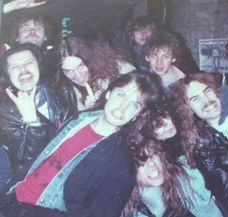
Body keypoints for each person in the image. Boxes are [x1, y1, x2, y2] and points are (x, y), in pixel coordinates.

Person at [0, 71, 163, 217]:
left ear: (137, 115)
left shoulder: (122, 164)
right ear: (109, 93)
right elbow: (42, 161)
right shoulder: (78, 119)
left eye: (135, 105)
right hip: (10, 197)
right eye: (121, 95)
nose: (123, 106)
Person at [120, 107, 223, 217]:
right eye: (142, 163)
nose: (152, 165)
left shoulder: (184, 175)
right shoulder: (129, 207)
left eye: (153, 155)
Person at [174, 73, 228, 216]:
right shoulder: (203, 146)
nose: (207, 101)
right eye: (195, 99)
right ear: (189, 109)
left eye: (207, 91)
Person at [0, 43, 64, 178]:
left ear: (39, 66)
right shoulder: (6, 112)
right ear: (8, 76)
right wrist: (32, 122)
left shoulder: (58, 92)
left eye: (28, 63)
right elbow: (27, 164)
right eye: (15, 67)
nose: (23, 70)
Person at [55, 37, 135, 119]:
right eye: (68, 71)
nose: (78, 76)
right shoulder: (70, 91)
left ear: (91, 59)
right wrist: (90, 111)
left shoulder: (120, 70)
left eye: (81, 66)